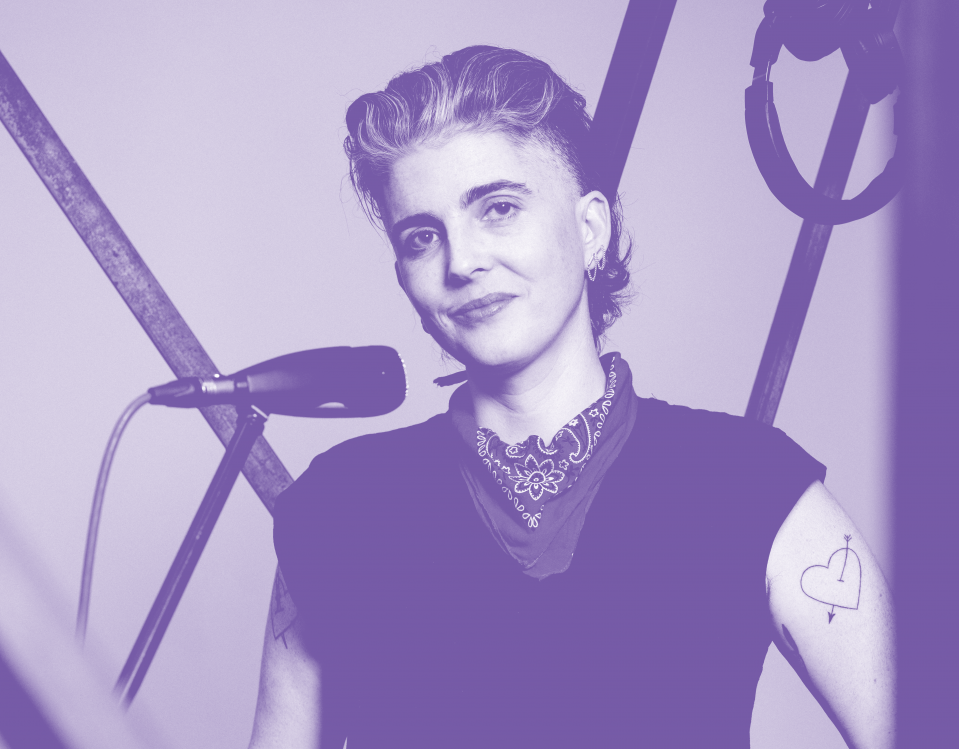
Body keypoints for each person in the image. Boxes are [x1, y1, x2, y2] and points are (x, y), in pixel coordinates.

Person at [247, 46, 894, 749]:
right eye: (422, 237)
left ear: (591, 230)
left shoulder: (748, 482)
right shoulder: (339, 507)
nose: (462, 261)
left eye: (498, 209)